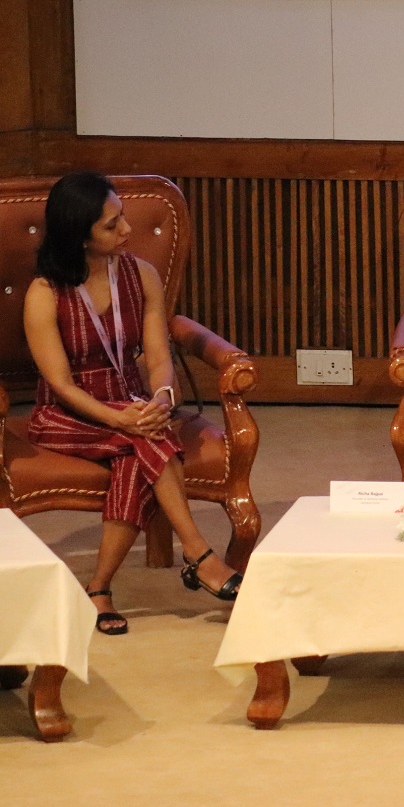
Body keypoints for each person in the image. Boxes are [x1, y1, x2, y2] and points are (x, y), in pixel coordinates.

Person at [23, 172, 242, 636]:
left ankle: (99, 588)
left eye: (122, 217)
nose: (126, 230)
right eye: (111, 225)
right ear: (79, 236)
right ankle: (199, 554)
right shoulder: (45, 293)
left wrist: (160, 397)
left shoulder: (140, 275)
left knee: (137, 451)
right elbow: (60, 383)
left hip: (133, 404)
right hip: (69, 413)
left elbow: (159, 356)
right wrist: (120, 417)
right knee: (145, 438)